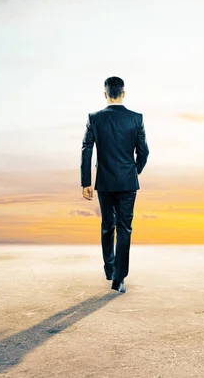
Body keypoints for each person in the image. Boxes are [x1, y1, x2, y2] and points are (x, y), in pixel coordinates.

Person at [80, 76, 149, 293]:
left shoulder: (94, 118)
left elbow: (86, 149)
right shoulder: (136, 118)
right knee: (125, 228)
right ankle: (119, 279)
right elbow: (144, 151)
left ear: (105, 94)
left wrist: (86, 182)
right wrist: (134, 170)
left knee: (107, 225)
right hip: (128, 181)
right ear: (124, 93)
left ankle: (109, 269)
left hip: (105, 181)